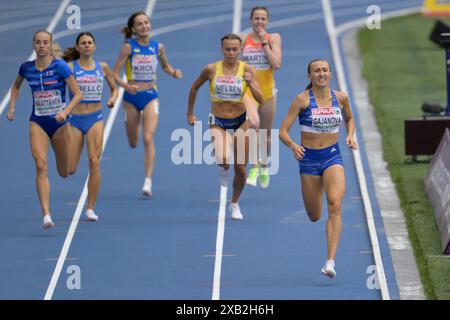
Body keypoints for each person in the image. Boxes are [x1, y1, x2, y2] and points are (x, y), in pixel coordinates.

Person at [279, 59, 358, 278]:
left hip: (332, 156)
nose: (321, 74)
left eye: (324, 70)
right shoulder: (301, 100)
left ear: (330, 74)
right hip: (309, 160)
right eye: (317, 71)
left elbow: (350, 119)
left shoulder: (341, 98)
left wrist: (350, 135)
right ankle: (320, 185)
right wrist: (293, 146)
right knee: (315, 215)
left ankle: (330, 262)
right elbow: (282, 131)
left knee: (335, 205)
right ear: (310, 76)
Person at [6, 30, 83, 229]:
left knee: (65, 171)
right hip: (38, 121)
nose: (41, 46)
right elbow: (15, 87)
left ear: (50, 45)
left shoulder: (61, 67)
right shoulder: (26, 68)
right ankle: (46, 215)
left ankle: (73, 150)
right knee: (41, 165)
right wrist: (12, 106)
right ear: (33, 45)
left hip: (59, 123)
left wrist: (65, 112)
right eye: (38, 42)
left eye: (45, 42)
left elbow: (77, 94)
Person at [187, 33, 263, 220]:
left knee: (241, 168)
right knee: (222, 158)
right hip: (218, 121)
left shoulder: (247, 70)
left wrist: (250, 84)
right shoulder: (211, 69)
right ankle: (222, 167)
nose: (231, 52)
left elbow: (261, 99)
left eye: (235, 49)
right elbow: (194, 88)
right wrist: (190, 113)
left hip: (240, 121)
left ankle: (235, 203)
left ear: (240, 50)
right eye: (227, 49)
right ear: (222, 49)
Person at [112, 12, 182, 198]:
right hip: (131, 98)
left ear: (150, 24)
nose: (144, 26)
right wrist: (126, 86)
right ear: (134, 29)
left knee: (148, 138)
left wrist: (173, 72)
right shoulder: (128, 48)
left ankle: (148, 181)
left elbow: (166, 66)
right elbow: (114, 74)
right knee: (133, 142)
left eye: (146, 22)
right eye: (139, 24)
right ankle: (136, 125)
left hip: (151, 95)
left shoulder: (158, 47)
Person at [63, 32, 119, 221]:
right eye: (83, 43)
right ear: (78, 47)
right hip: (74, 120)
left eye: (90, 42)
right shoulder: (70, 68)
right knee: (70, 168)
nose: (87, 45)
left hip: (95, 118)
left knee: (94, 161)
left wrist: (112, 99)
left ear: (94, 46)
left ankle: (90, 208)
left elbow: (114, 88)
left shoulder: (102, 67)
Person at [241, 6, 282, 189]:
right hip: (249, 91)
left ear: (267, 21)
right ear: (251, 20)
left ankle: (264, 166)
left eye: (263, 19)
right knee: (253, 128)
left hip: (268, 92)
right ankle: (254, 167)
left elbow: (277, 64)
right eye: (256, 18)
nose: (259, 22)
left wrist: (265, 44)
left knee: (265, 136)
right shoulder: (243, 39)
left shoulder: (274, 38)